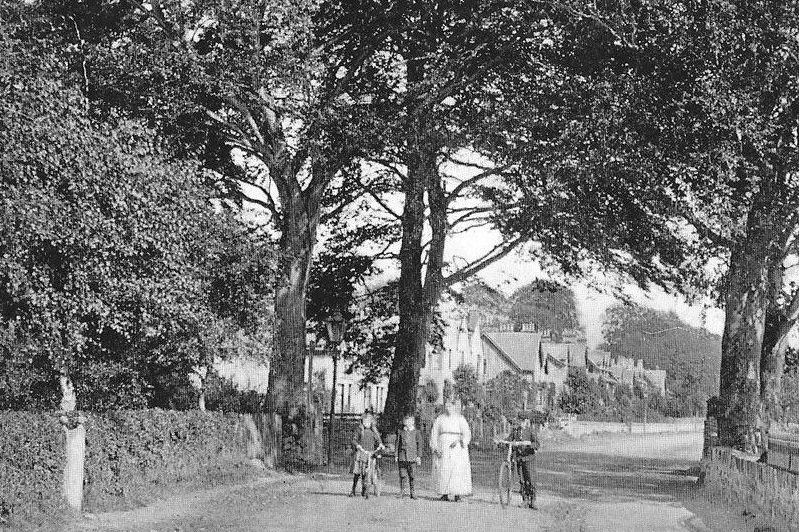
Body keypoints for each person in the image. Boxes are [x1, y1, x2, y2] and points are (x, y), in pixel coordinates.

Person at [430, 400, 472, 501]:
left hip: (457, 448)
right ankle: (444, 494)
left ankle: (458, 494)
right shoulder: (440, 419)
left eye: (450, 406)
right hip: (443, 447)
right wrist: (435, 447)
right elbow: (434, 434)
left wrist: (460, 440)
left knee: (457, 470)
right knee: (444, 469)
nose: (448, 408)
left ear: (454, 407)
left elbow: (466, 433)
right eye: (446, 406)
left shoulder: (460, 419)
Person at [502, 412, 541, 509]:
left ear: (527, 421)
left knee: (531, 479)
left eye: (523, 421)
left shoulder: (530, 431)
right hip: (519, 458)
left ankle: (532, 500)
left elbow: (537, 444)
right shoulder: (515, 431)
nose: (521, 423)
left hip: (529, 458)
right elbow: (509, 440)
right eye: (520, 421)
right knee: (522, 480)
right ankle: (525, 500)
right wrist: (503, 442)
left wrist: (529, 444)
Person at [350, 411, 383, 499]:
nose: (366, 424)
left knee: (367, 473)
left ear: (371, 422)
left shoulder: (374, 431)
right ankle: (353, 489)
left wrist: (380, 445)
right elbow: (354, 440)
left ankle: (364, 490)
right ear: (362, 422)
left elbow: (378, 441)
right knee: (357, 472)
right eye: (364, 422)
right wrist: (358, 446)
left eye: (368, 422)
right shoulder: (359, 430)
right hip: (361, 453)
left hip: (370, 454)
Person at [395, 414, 423, 499]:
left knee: (412, 476)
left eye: (409, 421)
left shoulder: (416, 432)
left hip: (412, 457)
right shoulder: (400, 432)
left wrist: (419, 456)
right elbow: (397, 444)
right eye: (406, 421)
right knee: (402, 475)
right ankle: (402, 491)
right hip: (402, 457)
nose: (407, 423)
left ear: (413, 422)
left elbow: (419, 445)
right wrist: (396, 455)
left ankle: (412, 492)